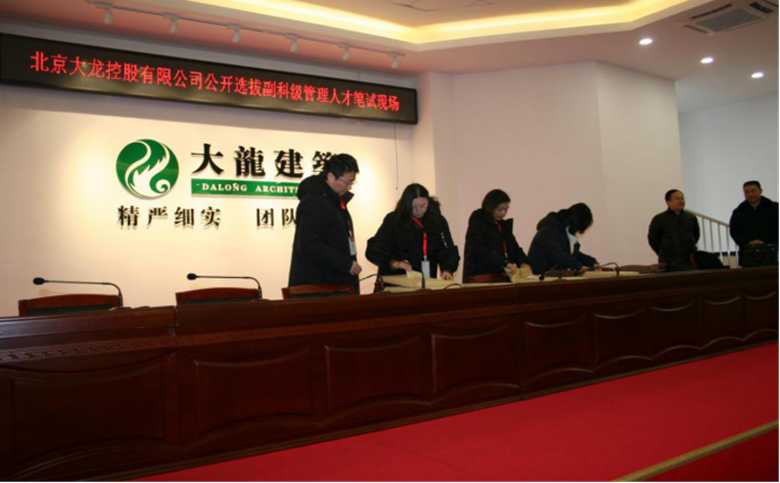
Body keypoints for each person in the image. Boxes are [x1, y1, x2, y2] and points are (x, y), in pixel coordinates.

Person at [288, 154, 362, 293]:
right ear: (331, 176)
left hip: (336, 282)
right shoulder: (314, 202)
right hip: (319, 285)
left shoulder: (336, 200)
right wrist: (345, 263)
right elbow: (310, 244)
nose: (350, 187)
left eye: (352, 182)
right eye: (347, 182)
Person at [366, 184, 460, 281]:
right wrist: (394, 263)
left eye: (423, 205)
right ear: (406, 204)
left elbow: (447, 249)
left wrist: (447, 269)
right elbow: (373, 250)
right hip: (396, 281)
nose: (418, 210)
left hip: (426, 281)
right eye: (413, 206)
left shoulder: (437, 221)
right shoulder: (394, 220)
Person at [464, 189, 531, 281]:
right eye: (500, 209)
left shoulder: (502, 226)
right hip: (481, 276)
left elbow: (514, 247)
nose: (503, 213)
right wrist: (504, 263)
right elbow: (481, 251)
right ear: (490, 207)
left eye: (506, 209)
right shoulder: (477, 223)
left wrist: (523, 262)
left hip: (501, 275)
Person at [528, 203, 599, 275]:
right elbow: (555, 254)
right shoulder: (549, 229)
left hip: (554, 276)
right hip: (540, 277)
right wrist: (578, 266)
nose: (577, 232)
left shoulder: (564, 231)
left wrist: (592, 262)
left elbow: (574, 255)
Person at [648, 190, 700, 272]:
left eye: (682, 198)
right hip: (668, 261)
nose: (681, 201)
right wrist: (663, 252)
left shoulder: (691, 217)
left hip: (689, 260)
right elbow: (653, 239)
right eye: (677, 199)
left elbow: (696, 236)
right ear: (668, 202)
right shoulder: (659, 219)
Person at [730, 181, 779, 265]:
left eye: (753, 191)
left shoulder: (775, 208)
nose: (750, 194)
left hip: (774, 252)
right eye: (746, 192)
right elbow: (734, 232)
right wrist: (749, 243)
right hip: (747, 254)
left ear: (760, 191)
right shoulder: (738, 212)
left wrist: (763, 242)